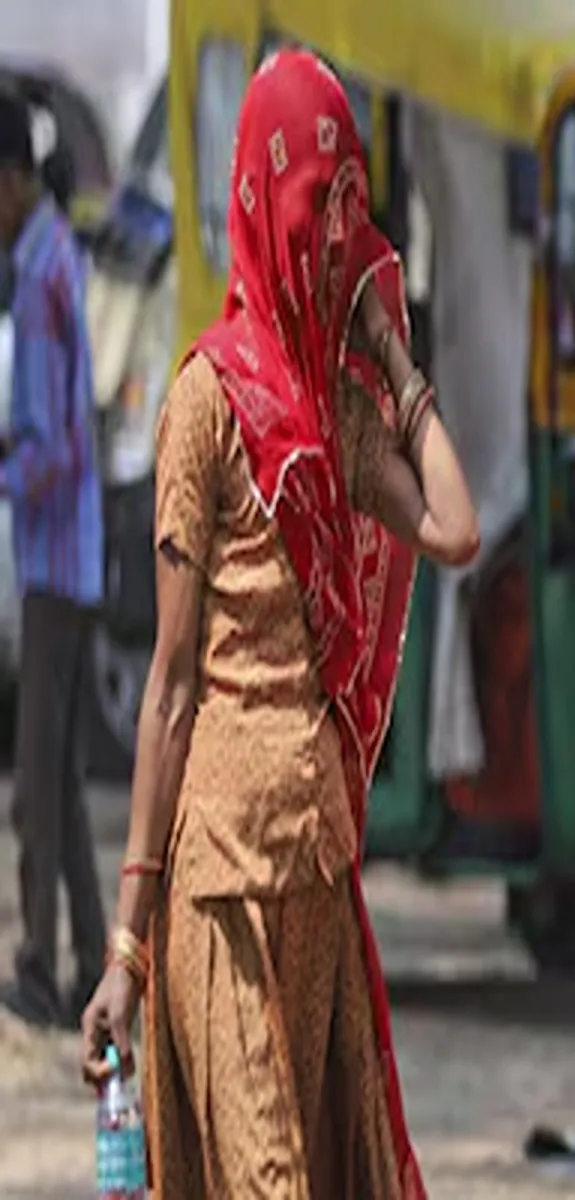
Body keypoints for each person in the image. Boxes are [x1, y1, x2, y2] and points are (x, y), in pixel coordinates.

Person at [79, 51, 479, 1195]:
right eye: (314, 213)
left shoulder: (340, 406)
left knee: (313, 1163)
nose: (326, 241)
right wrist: (126, 947)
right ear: (262, 206)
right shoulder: (204, 401)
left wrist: (393, 354)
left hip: (314, 865)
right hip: (217, 884)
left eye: (345, 216)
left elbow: (451, 525)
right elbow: (168, 686)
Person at [0, 90, 106, 1031]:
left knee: (36, 778)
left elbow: (57, 443)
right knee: (65, 778)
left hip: (51, 560)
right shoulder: (56, 258)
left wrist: (4, 464)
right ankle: (91, 961)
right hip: (77, 559)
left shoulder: (35, 282)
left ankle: (37, 962)